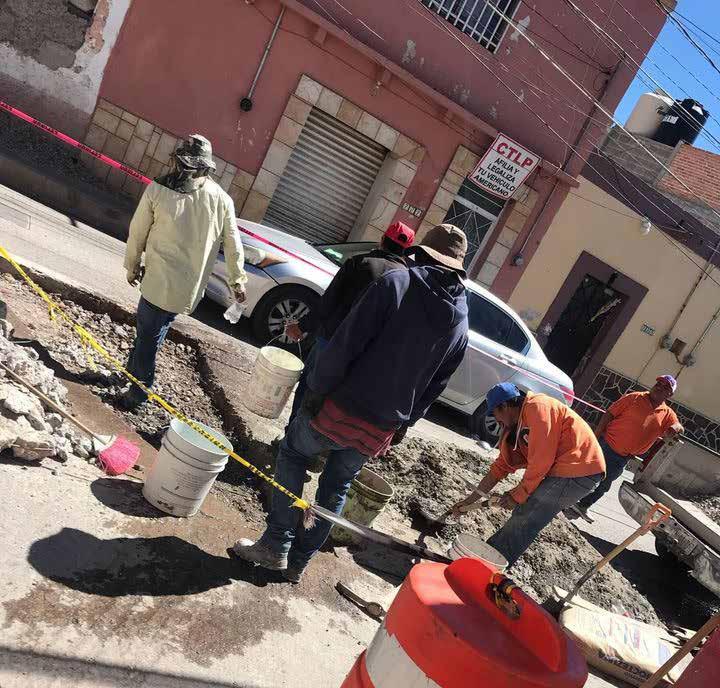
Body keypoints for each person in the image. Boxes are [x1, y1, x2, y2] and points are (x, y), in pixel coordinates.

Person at [233, 224, 470, 582]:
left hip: (340, 407)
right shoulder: (460, 324)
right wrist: (402, 427)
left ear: (421, 254)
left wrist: (316, 390)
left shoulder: (395, 284)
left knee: (293, 454)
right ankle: (298, 563)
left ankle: (276, 544)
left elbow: (345, 345)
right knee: (337, 486)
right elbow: (433, 387)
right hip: (381, 427)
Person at [121, 134, 247, 409]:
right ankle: (130, 371)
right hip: (187, 289)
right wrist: (238, 280)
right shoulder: (222, 200)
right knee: (154, 330)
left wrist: (132, 266)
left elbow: (137, 232)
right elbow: (233, 244)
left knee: (148, 335)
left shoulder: (159, 188)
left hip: (157, 282)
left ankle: (138, 392)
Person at [450, 383, 606, 568]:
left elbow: (541, 462)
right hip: (567, 471)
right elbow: (499, 468)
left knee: (527, 515)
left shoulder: (538, 408)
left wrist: (517, 495)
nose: (495, 419)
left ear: (505, 406)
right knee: (525, 513)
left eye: (494, 413)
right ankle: (487, 562)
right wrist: (468, 501)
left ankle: (486, 568)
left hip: (580, 469)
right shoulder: (515, 428)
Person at [284, 221, 415, 425]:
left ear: (382, 239)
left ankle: (291, 434)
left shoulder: (359, 263)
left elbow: (328, 304)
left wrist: (301, 327)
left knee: (309, 388)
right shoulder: (407, 281)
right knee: (335, 401)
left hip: (331, 341)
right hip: (366, 356)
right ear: (406, 251)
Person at [568, 375, 683, 522]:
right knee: (587, 475)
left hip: (623, 457)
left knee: (604, 484)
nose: (659, 387)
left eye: (665, 386)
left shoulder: (667, 414)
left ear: (670, 394)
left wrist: (676, 428)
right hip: (607, 446)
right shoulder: (635, 397)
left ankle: (582, 505)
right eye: (658, 383)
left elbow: (679, 427)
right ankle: (565, 499)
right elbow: (610, 413)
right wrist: (596, 435)